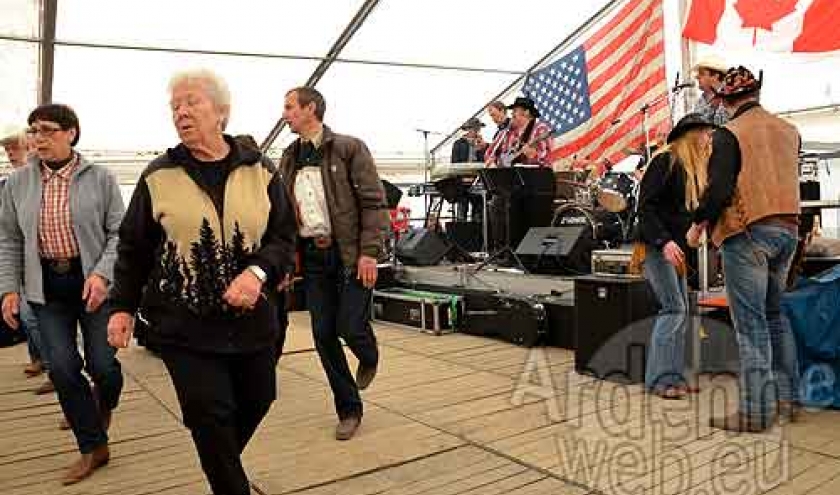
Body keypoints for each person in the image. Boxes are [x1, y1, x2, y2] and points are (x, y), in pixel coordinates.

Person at [107, 69, 297, 495]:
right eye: (175, 105)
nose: (181, 112)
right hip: (183, 325)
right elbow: (134, 248)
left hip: (254, 322)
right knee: (208, 414)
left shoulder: (260, 171)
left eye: (192, 102)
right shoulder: (159, 176)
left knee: (258, 399)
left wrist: (257, 272)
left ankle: (222, 466)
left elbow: (284, 237)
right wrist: (121, 307)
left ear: (222, 112)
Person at [0, 104, 124, 484]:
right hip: (46, 288)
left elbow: (119, 234)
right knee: (63, 368)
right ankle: (93, 447)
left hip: (93, 286)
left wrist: (102, 275)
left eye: (48, 130)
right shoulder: (18, 183)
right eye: (34, 130)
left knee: (103, 367)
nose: (38, 138)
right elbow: (9, 239)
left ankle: (103, 402)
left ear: (71, 133)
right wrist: (9, 289)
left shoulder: (101, 178)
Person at [687, 66, 801, 432]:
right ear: (756, 94)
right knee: (775, 317)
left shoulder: (729, 133)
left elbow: (720, 188)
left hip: (748, 230)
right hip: (788, 230)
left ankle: (755, 411)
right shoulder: (789, 130)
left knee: (751, 325)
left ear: (726, 101)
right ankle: (787, 399)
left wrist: (698, 224)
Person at [278, 86, 385, 441]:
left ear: (311, 109)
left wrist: (369, 252)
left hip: (350, 253)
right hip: (313, 256)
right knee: (323, 335)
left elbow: (373, 203)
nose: (285, 114)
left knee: (350, 327)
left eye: (290, 107)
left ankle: (368, 354)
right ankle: (349, 409)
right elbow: (284, 214)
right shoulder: (289, 157)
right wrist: (285, 263)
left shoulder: (349, 148)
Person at [634, 113, 716, 400]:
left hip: (674, 248)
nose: (708, 139)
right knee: (673, 309)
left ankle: (674, 377)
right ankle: (659, 380)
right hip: (656, 246)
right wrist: (664, 241)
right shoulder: (664, 161)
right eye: (705, 133)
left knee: (680, 310)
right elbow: (645, 208)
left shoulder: (692, 169)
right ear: (691, 136)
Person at [1, 125, 51, 385]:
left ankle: (57, 369)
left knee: (35, 317)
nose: (10, 154)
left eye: (15, 149)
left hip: (40, 261)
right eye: (7, 150)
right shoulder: (10, 182)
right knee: (28, 315)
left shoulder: (40, 180)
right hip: (19, 259)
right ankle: (39, 358)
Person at [490, 96, 554, 167]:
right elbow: (496, 153)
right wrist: (498, 161)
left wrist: (534, 156)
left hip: (538, 172)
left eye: (515, 111)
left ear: (526, 112)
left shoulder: (541, 129)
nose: (512, 114)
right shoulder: (510, 133)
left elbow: (546, 159)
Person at [692, 56, 729, 126]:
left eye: (702, 74)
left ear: (715, 76)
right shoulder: (701, 99)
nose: (697, 77)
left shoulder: (729, 96)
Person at [484, 100, 510, 165]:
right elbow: (496, 151)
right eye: (491, 116)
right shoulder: (497, 133)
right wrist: (485, 146)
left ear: (502, 111)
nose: (493, 119)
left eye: (493, 115)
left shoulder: (513, 126)